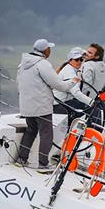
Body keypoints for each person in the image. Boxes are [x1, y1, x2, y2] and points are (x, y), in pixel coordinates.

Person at [16, 39, 92, 170]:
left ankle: (22, 159)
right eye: (49, 48)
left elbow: (18, 84)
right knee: (46, 134)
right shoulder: (43, 64)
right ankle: (43, 164)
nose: (50, 50)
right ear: (45, 50)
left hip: (26, 104)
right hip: (41, 106)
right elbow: (59, 85)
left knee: (31, 130)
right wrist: (73, 81)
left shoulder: (22, 64)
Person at [81, 43, 105, 127]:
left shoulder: (87, 65)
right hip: (97, 105)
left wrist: (84, 100)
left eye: (90, 53)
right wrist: (102, 102)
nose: (86, 54)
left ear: (97, 56)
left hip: (86, 103)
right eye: (87, 51)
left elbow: (86, 86)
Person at [53, 46, 91, 125]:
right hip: (59, 104)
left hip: (66, 102)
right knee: (88, 108)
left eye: (81, 59)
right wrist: (91, 102)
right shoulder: (69, 71)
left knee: (84, 107)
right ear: (70, 60)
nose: (79, 62)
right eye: (77, 59)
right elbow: (76, 93)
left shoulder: (76, 70)